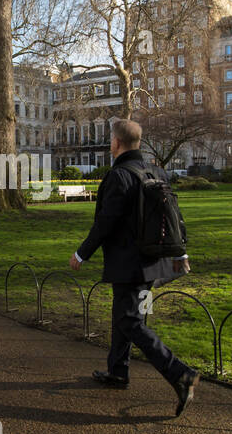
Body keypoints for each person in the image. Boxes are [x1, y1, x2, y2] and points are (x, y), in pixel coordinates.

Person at [69, 119, 200, 417]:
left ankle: (180, 373)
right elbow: (173, 216)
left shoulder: (119, 176)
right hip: (155, 263)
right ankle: (118, 371)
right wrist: (181, 254)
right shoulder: (155, 171)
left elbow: (105, 222)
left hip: (130, 265)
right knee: (127, 315)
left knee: (130, 322)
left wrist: (81, 253)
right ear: (139, 142)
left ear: (115, 143)